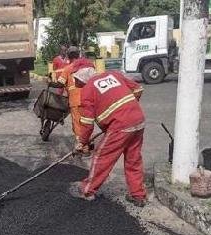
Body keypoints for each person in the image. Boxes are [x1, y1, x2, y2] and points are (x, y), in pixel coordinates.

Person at [69, 67, 147, 207]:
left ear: (82, 79)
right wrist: (128, 109)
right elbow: (138, 89)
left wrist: (82, 142)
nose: (75, 82)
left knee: (102, 157)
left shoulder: (88, 90)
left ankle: (87, 191)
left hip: (120, 126)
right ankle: (138, 196)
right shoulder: (113, 75)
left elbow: (87, 123)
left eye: (77, 79)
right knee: (133, 159)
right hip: (138, 120)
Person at [56, 46, 95, 153]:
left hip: (75, 101)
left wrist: (50, 83)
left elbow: (60, 83)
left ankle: (83, 147)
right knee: (87, 122)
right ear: (78, 55)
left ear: (68, 56)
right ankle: (88, 141)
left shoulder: (68, 69)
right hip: (89, 99)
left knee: (78, 124)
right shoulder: (86, 66)